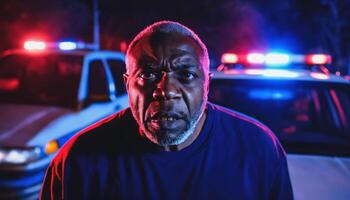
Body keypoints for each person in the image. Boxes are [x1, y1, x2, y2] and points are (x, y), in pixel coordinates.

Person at [40, 20, 293, 200]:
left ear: (206, 84)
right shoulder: (79, 160)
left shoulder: (258, 149)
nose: (166, 90)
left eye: (185, 74)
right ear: (127, 85)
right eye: (148, 74)